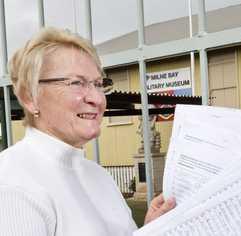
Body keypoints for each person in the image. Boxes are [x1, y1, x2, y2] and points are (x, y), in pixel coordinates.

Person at [0, 27, 175, 236]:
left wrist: (150, 230)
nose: (98, 99)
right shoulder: (13, 182)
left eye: (99, 84)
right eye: (76, 83)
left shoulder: (98, 175)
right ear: (30, 97)